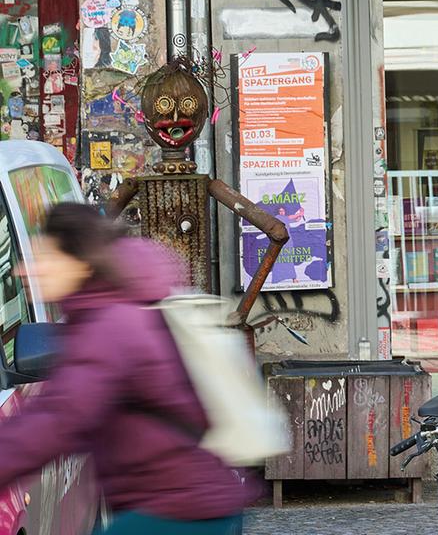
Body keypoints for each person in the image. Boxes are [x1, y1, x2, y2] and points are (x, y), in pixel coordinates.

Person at [0, 203, 252, 534]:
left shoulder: (108, 326)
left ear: (79, 262)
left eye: (43, 257)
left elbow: (57, 419)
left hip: (181, 510)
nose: (24, 271)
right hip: (187, 503)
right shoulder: (110, 311)